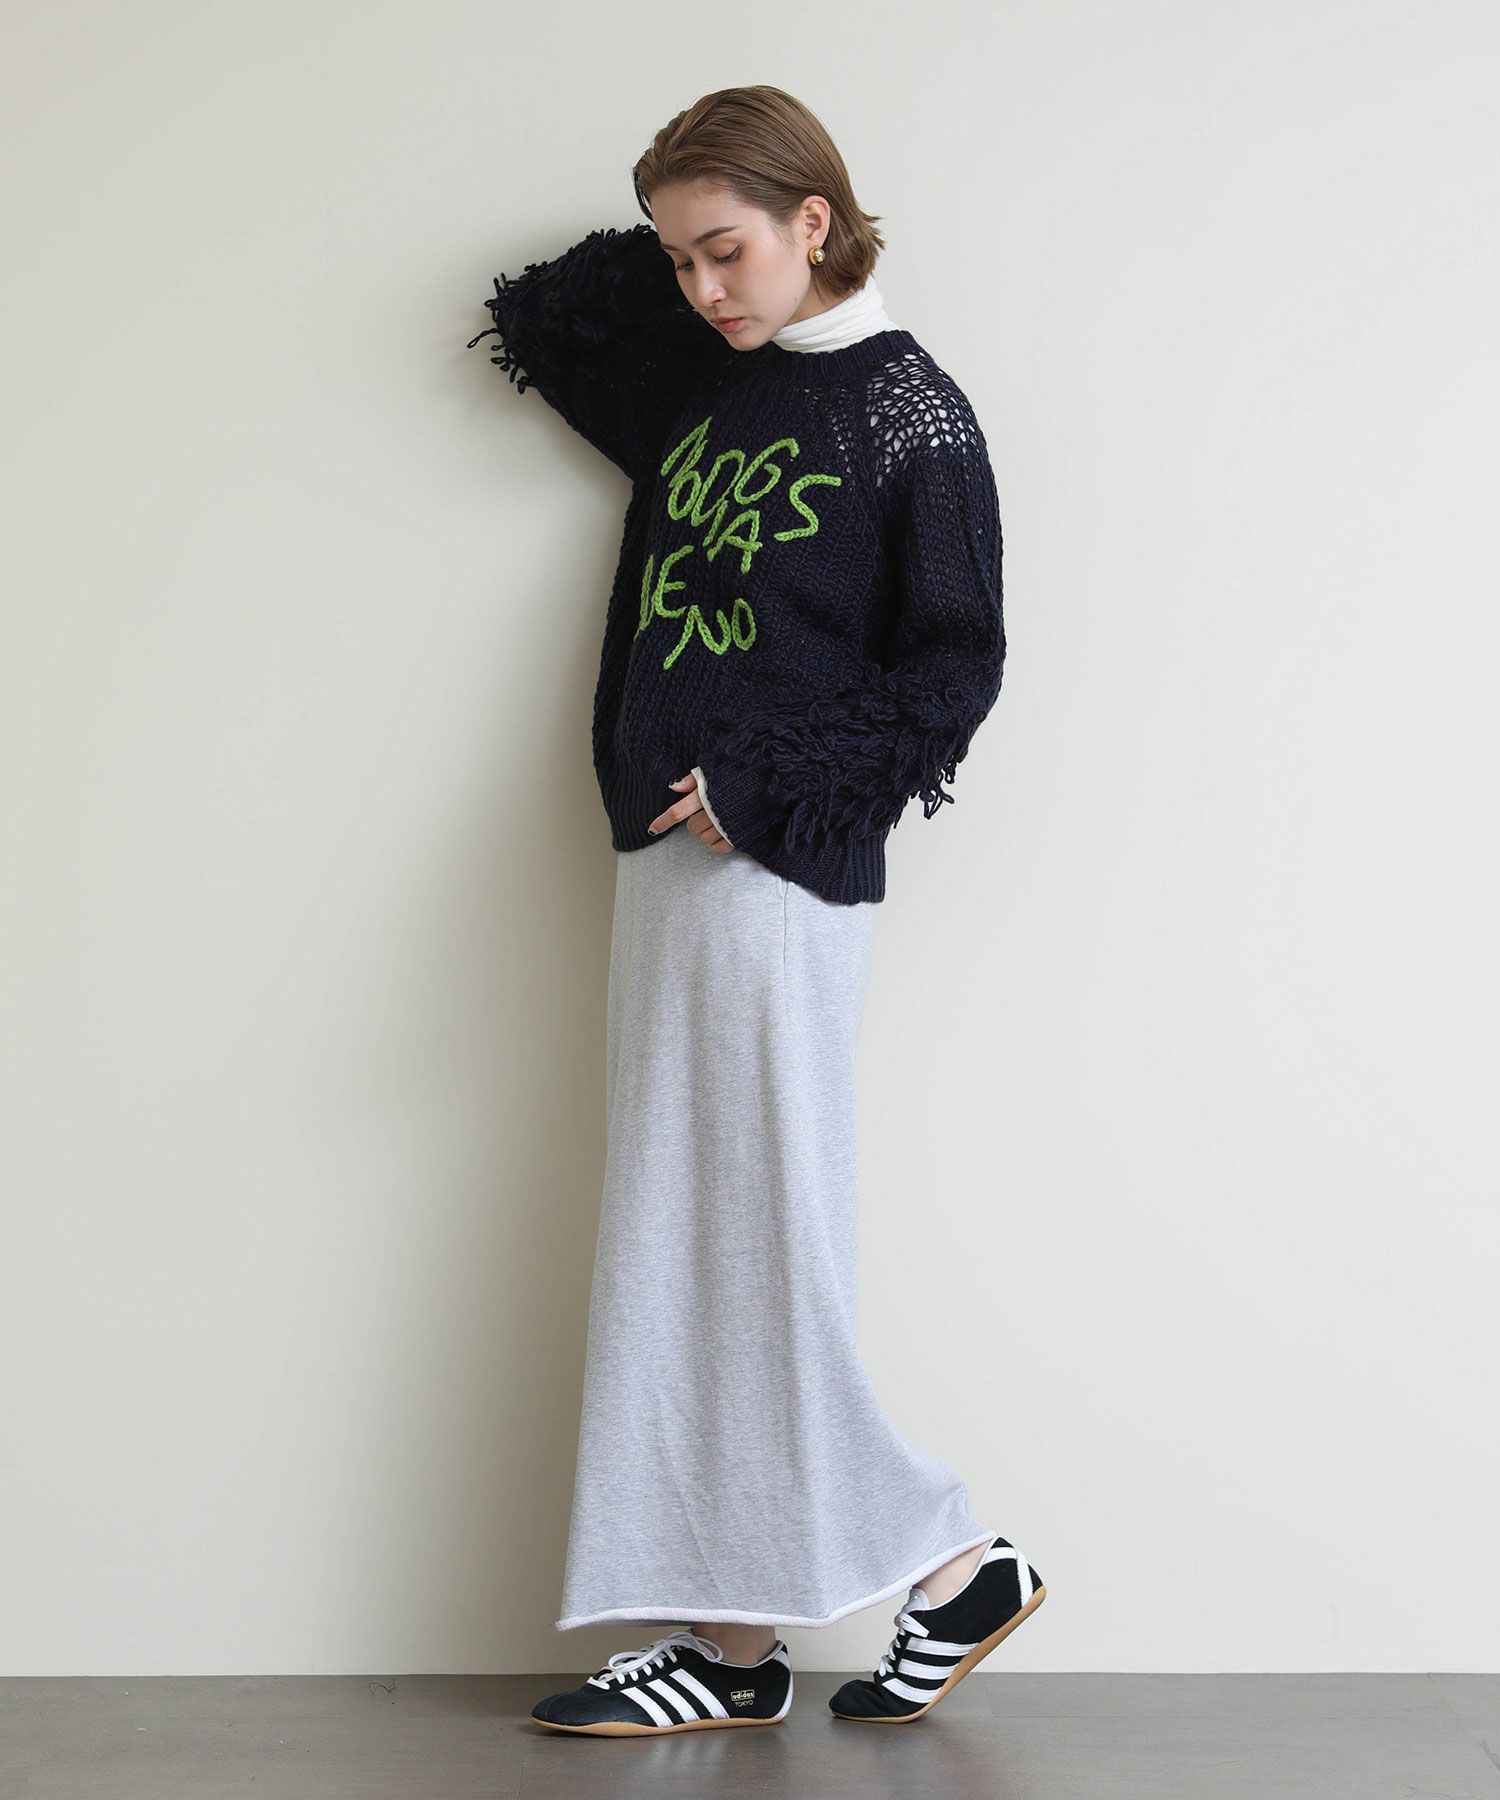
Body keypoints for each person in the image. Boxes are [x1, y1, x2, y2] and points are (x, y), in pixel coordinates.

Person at [468, 84, 1046, 1738]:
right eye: (678, 259)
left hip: (771, 870)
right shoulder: (710, 382)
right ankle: (733, 1642)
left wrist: (768, 783)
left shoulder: (909, 414)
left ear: (817, 218)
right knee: (687, 1248)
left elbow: (956, 666)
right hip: (668, 860)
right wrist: (692, 250)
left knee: (756, 1243)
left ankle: (950, 1560)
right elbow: (551, 317)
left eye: (726, 249)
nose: (699, 287)